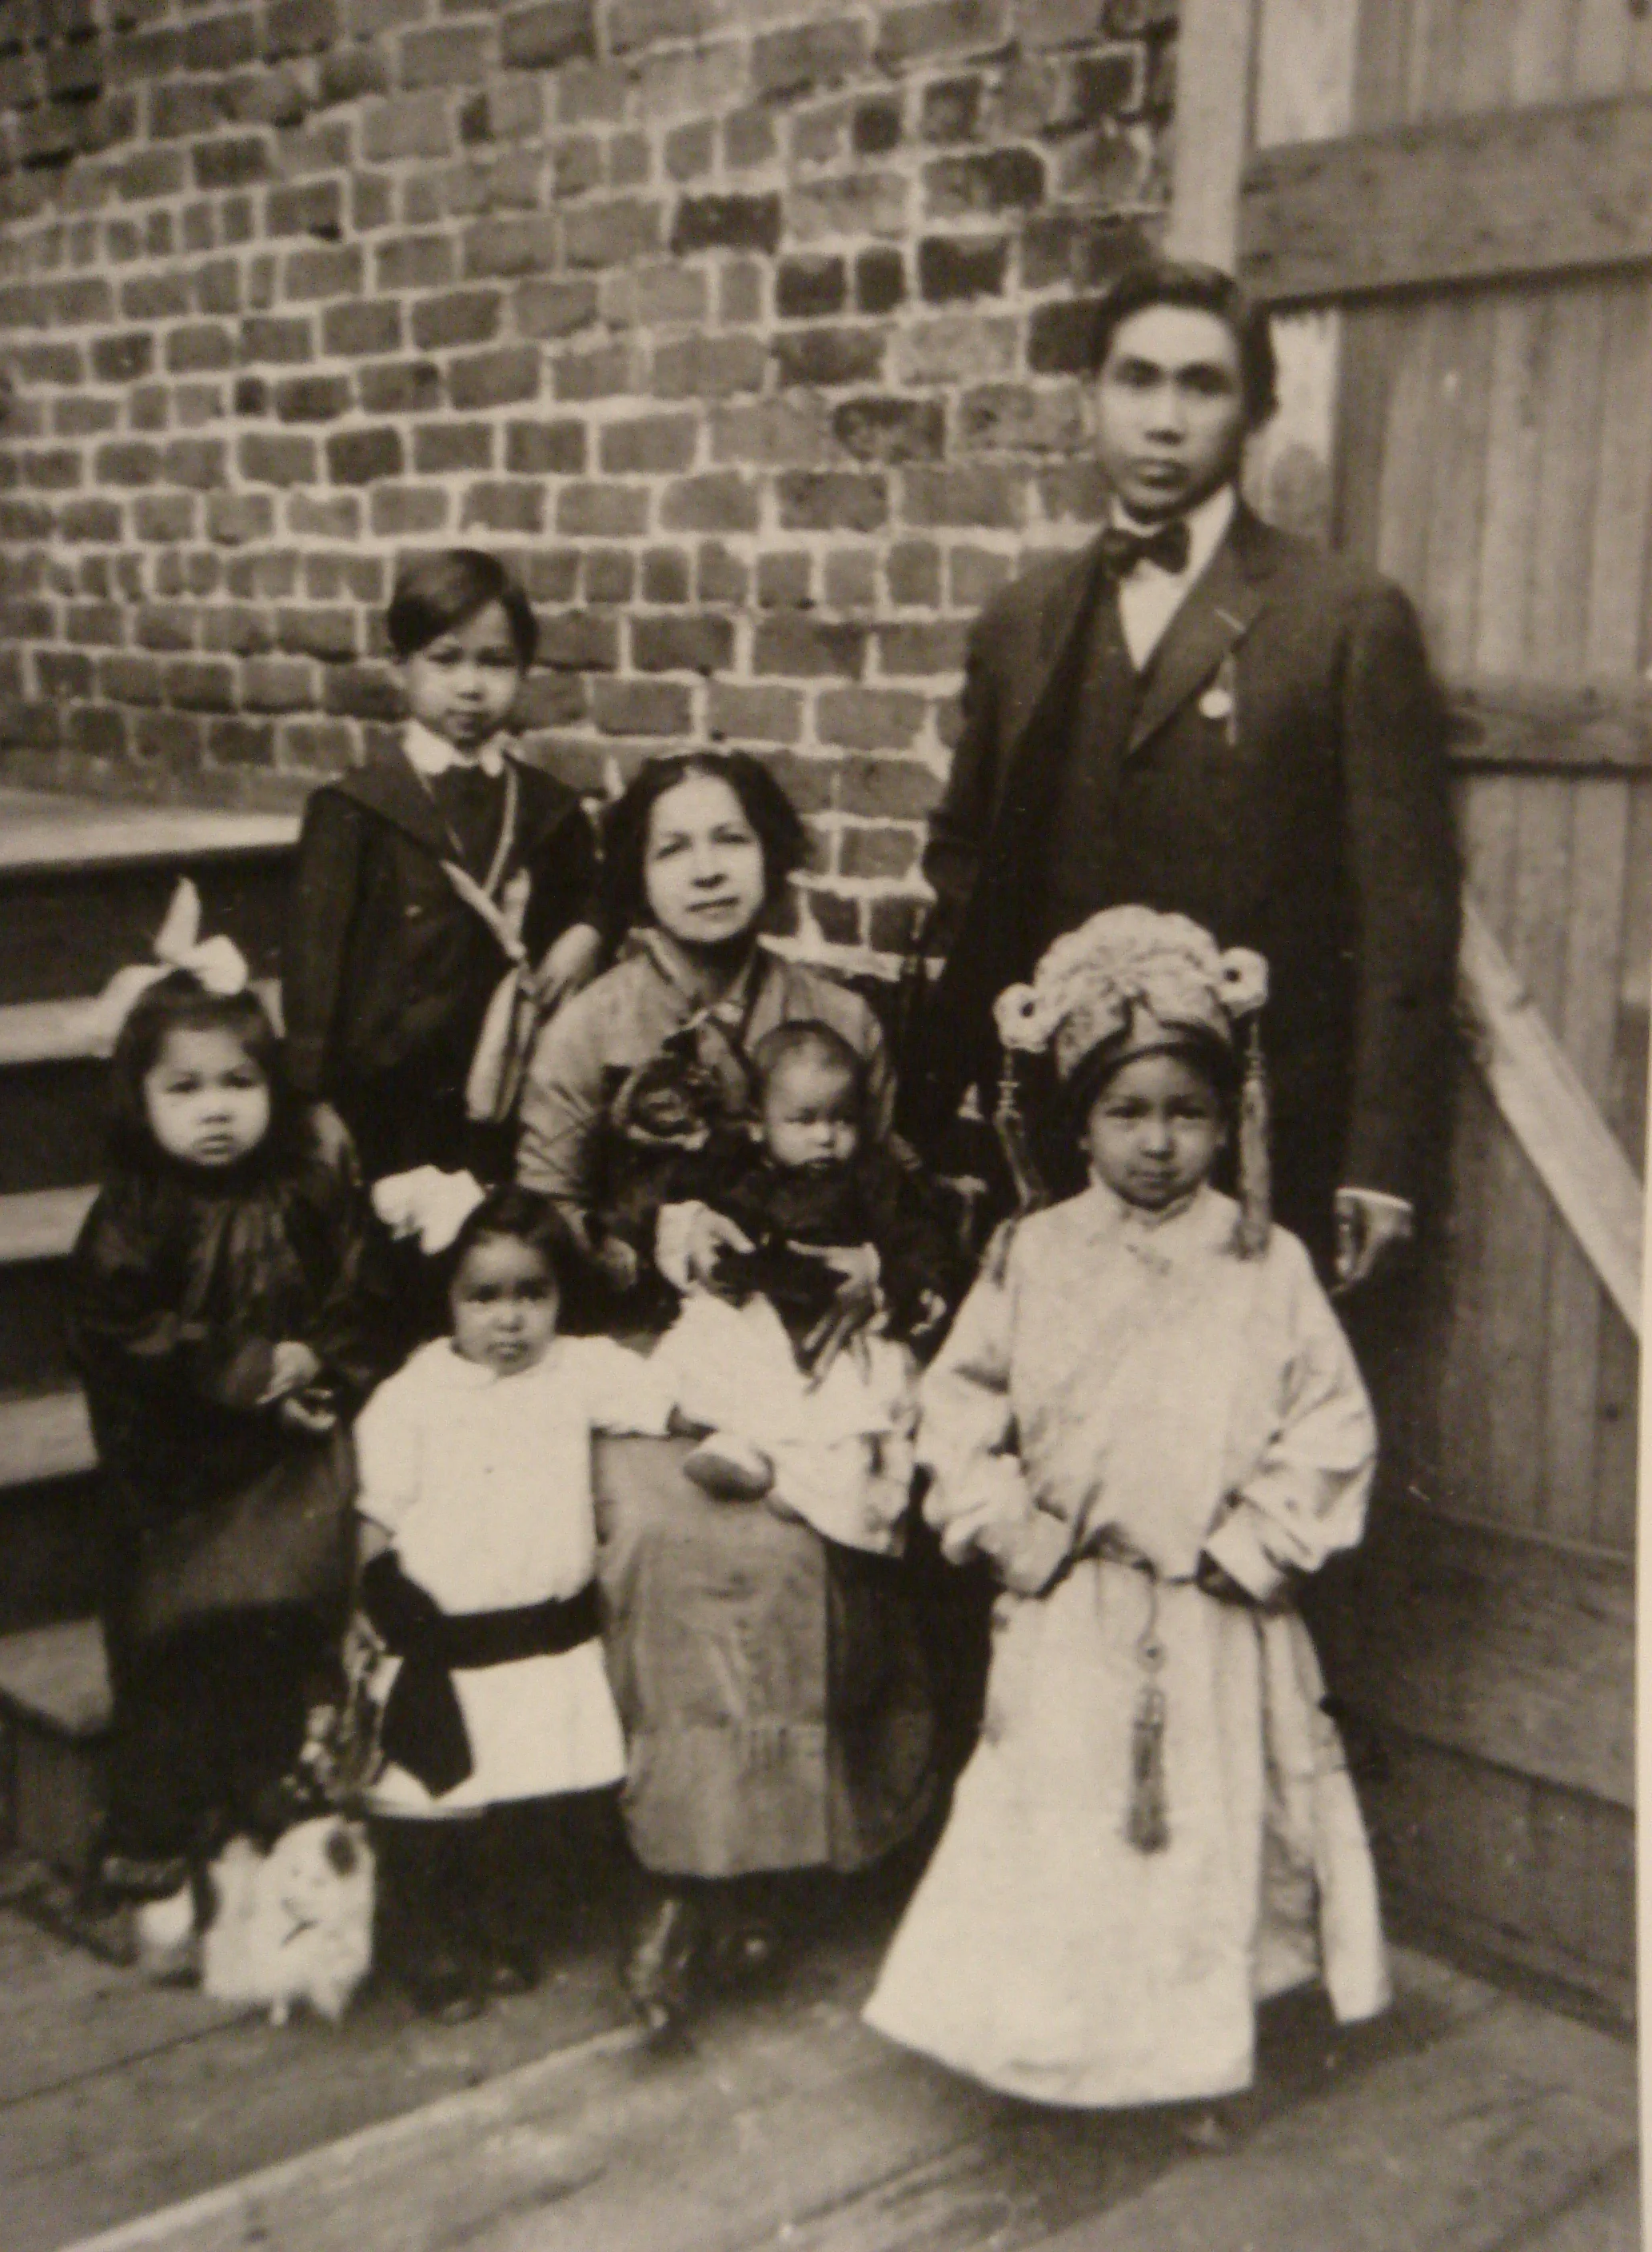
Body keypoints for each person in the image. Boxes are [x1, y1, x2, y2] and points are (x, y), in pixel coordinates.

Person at [864, 907, 1389, 2109]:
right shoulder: (1032, 1255)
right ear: (1080, 1123)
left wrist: (1252, 1543)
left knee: (1204, 1838)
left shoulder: (1269, 1260)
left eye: (1187, 1112)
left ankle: (1193, 2057)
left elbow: (1332, 1423)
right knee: (1064, 1833)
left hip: (1211, 1611)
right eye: (1127, 1112)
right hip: (1072, 1611)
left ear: (1228, 1118)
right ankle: (1046, 2046)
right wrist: (1014, 1531)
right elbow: (955, 1412)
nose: (1159, 1144)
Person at [907, 258, 1458, 1287]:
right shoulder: (1024, 619)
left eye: (1201, 386)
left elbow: (1405, 910)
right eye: (1137, 380)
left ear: (1254, 412)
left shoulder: (1342, 617)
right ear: (1092, 398)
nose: (1164, 419)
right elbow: (965, 858)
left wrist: (1380, 1161)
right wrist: (979, 1097)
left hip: (1261, 1144)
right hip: (1066, 1140)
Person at [517, 751, 936, 2033]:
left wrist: (876, 1261)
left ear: (773, 857)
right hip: (654, 1356)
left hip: (808, 1358)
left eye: (733, 842)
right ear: (637, 877)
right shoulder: (590, 1023)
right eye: (674, 848)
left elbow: (899, 1188)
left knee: (822, 1520)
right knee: (666, 1531)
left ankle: (791, 1866)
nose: (707, 870)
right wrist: (644, 1249)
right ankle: (679, 1874)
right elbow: (534, 1220)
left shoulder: (836, 1018)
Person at [69, 888, 391, 1970]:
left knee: (287, 1652)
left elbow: (358, 1293)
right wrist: (245, 1370)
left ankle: (276, 1835)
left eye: (240, 1085)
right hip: (185, 1479)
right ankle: (165, 1864)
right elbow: (123, 1335)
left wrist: (319, 1365)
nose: (216, 1111)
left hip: (292, 1469)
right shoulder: (134, 1215)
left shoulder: (303, 1191)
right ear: (143, 1100)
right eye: (186, 1088)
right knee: (179, 1664)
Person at [354, 1183, 676, 2022]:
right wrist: (371, 1600)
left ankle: (492, 1925)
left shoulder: (577, 1370)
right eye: (484, 1296)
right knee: (437, 1801)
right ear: (448, 1299)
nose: (509, 1319)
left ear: (560, 1297)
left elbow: (668, 1392)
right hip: (443, 1631)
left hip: (541, 1633)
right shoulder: (414, 1394)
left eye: (532, 1294)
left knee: (521, 1795)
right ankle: (425, 1936)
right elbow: (377, 1512)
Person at [281, 549, 603, 1185]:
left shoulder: (545, 806)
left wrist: (587, 932)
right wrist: (313, 1100)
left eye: (495, 662)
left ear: (524, 672)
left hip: (507, 1090)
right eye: (445, 659)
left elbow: (599, 892)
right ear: (401, 668)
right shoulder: (356, 808)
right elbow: (313, 967)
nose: (471, 687)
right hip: (387, 1098)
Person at [651, 1018, 958, 1555]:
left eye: (842, 1120)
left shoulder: (873, 1178)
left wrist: (884, 1271)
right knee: (715, 1342)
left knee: (840, 1397)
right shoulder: (741, 1173)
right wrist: (697, 1235)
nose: (825, 1136)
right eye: (803, 1120)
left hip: (836, 1322)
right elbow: (683, 1214)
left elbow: (920, 1239)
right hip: (761, 1313)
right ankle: (745, 1449)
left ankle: (814, 1484)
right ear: (758, 1124)